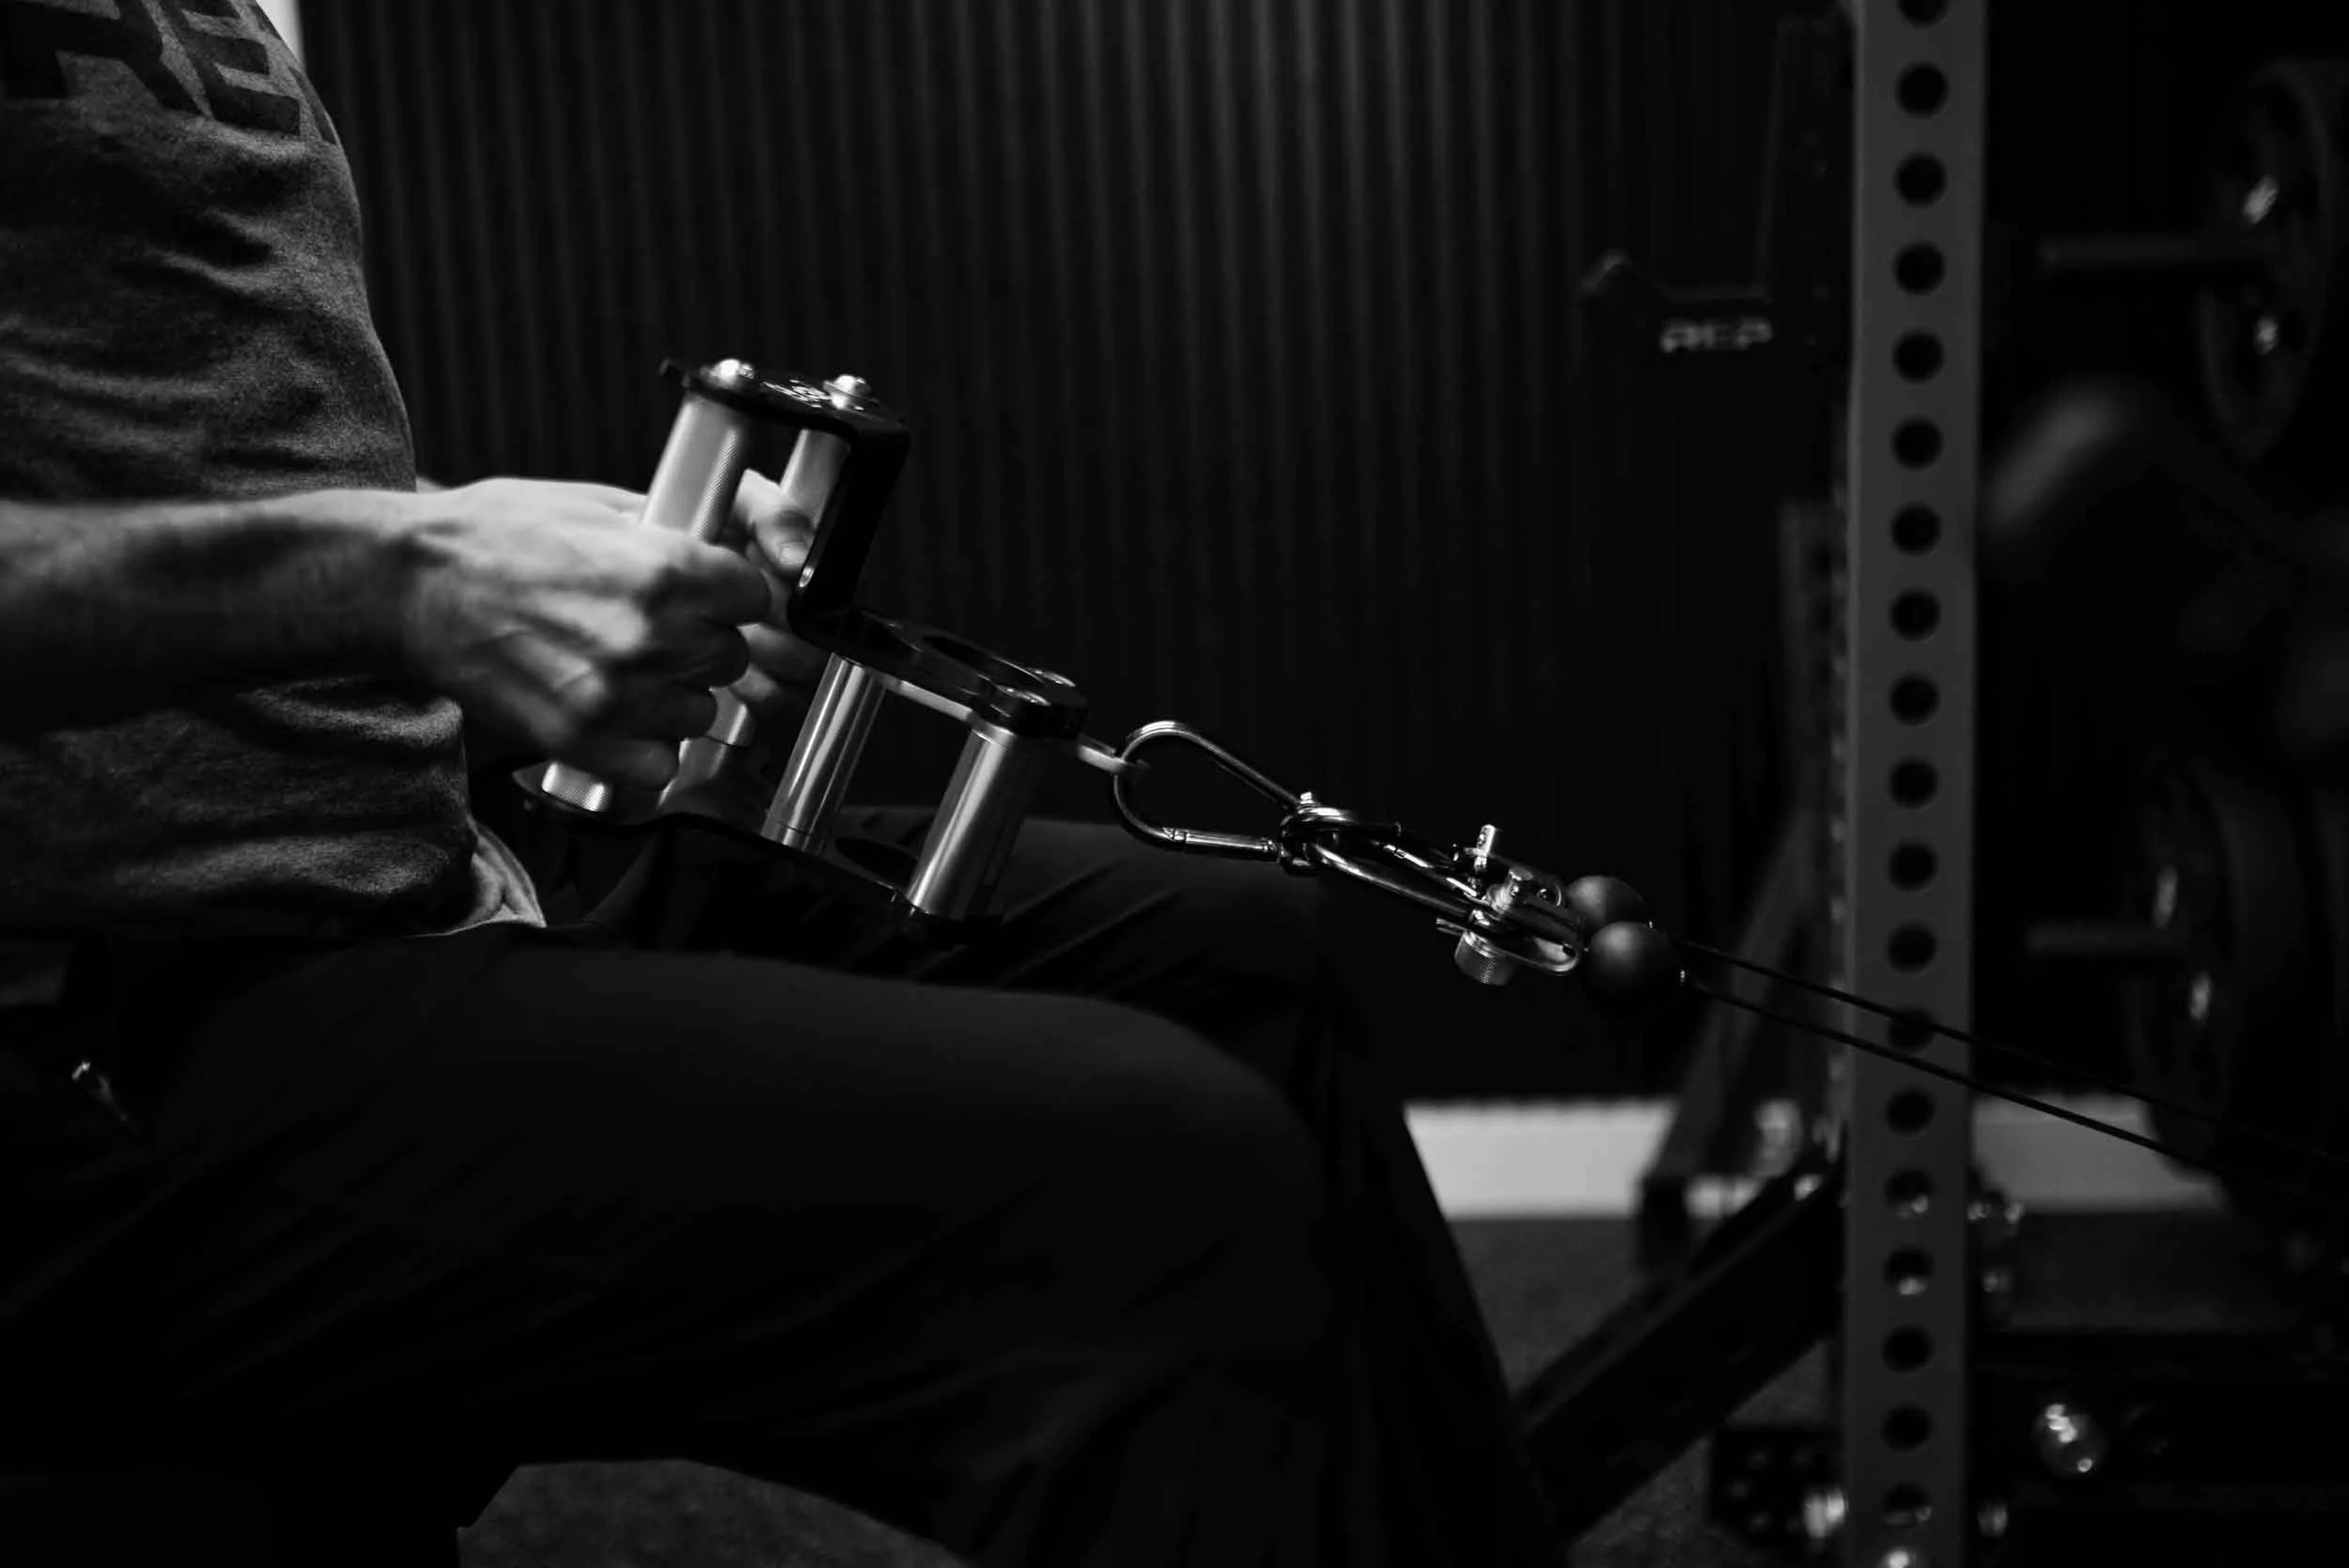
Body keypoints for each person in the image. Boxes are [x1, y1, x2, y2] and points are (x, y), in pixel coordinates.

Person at [0, 4, 1569, 1564]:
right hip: (114, 1029)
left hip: (412, 871)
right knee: (1157, 1192)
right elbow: (322, 561)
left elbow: (194, 463)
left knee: (1244, 962)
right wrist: (396, 577)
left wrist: (508, 550)